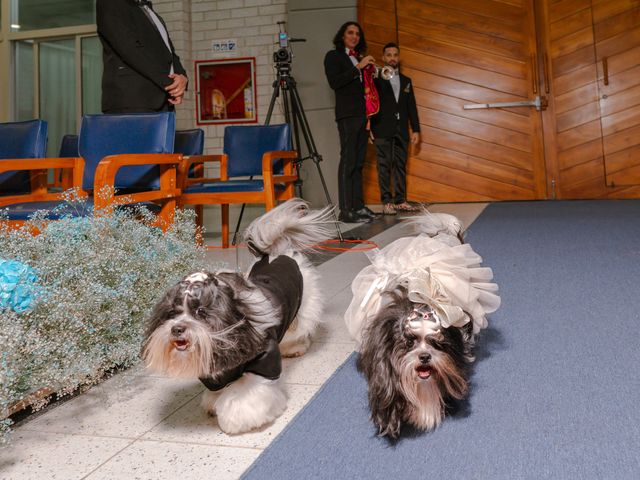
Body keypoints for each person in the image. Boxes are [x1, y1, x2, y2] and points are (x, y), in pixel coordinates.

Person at [324, 21, 378, 223]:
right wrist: (359, 68)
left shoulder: (360, 58)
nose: (354, 36)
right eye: (350, 33)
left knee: (358, 162)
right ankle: (345, 210)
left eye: (357, 34)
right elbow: (335, 82)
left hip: (363, 115)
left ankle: (358, 206)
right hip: (347, 115)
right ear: (342, 36)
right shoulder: (334, 56)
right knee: (348, 160)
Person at [96, 0, 188, 113]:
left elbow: (169, 52)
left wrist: (182, 77)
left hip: (163, 101)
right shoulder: (111, 3)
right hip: (132, 101)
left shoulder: (150, 12)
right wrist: (170, 84)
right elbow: (130, 49)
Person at [370, 42, 421, 215]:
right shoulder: (375, 79)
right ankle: (387, 202)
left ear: (398, 58)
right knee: (384, 165)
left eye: (395, 55)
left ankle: (400, 201)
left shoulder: (407, 81)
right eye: (389, 55)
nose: (392, 58)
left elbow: (411, 106)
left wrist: (416, 129)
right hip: (381, 128)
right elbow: (369, 103)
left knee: (400, 165)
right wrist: (368, 125)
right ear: (383, 58)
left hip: (402, 130)